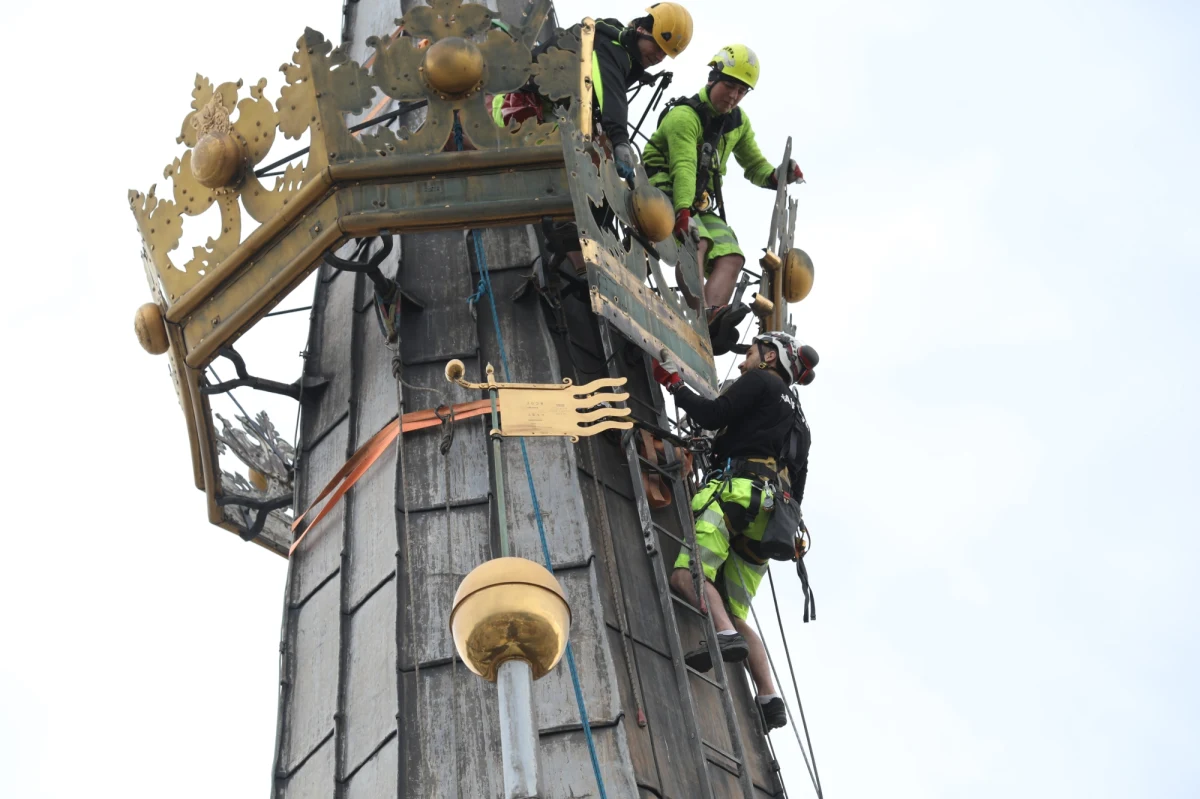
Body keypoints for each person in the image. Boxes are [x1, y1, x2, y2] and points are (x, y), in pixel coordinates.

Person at [652, 332, 817, 730]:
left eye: (751, 353)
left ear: (770, 357)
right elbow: (798, 488)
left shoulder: (760, 381)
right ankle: (769, 695)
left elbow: (713, 415)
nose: (743, 362)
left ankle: (724, 636)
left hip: (736, 495)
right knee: (735, 609)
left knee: (687, 576)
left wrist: (674, 383)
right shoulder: (800, 423)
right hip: (774, 520)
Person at [642, 45, 803, 353]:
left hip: (695, 202)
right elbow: (683, 168)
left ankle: (708, 318)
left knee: (732, 257)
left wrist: (776, 176)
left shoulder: (737, 123)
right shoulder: (684, 117)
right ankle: (696, 313)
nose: (733, 96)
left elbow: (754, 165)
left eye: (741, 91)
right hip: (662, 189)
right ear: (713, 78)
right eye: (729, 85)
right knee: (697, 241)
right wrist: (683, 214)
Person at [493, 3, 693, 178]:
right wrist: (621, 142)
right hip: (519, 109)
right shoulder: (609, 49)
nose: (659, 57)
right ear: (641, 30)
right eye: (657, 47)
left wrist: (639, 74)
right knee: (564, 169)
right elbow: (611, 93)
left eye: (665, 54)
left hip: (539, 110)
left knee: (589, 158)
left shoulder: (614, 45)